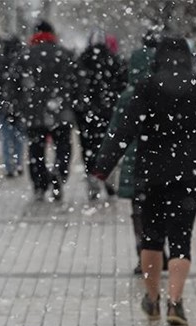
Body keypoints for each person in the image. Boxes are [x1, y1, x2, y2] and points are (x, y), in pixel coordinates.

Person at [94, 38, 196, 326]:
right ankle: (176, 303)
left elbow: (124, 130)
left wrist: (103, 165)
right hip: (189, 174)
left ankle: (152, 300)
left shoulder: (147, 86)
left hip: (151, 175)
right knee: (181, 241)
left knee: (152, 239)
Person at [103, 29, 169, 275]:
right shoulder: (166, 93)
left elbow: (115, 132)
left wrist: (105, 164)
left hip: (135, 162)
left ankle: (144, 254)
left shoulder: (129, 96)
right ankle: (161, 252)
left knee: (139, 211)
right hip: (162, 159)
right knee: (162, 208)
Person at [22, 20, 77, 201]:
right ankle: (59, 172)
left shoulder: (27, 55)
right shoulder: (64, 54)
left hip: (34, 111)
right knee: (63, 145)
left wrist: (17, 107)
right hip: (61, 109)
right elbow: (75, 82)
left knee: (36, 149)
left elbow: (14, 83)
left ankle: (39, 184)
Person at [75, 27, 126, 200]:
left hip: (86, 115)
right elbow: (122, 85)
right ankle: (108, 178)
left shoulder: (82, 60)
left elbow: (75, 87)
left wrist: (80, 108)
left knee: (88, 147)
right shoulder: (114, 60)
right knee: (107, 147)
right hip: (108, 114)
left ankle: (92, 180)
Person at [0, 36, 26, 178]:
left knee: (7, 138)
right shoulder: (22, 62)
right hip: (19, 105)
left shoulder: (0, 62)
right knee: (19, 137)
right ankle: (18, 163)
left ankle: (9, 166)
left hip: (4, 104)